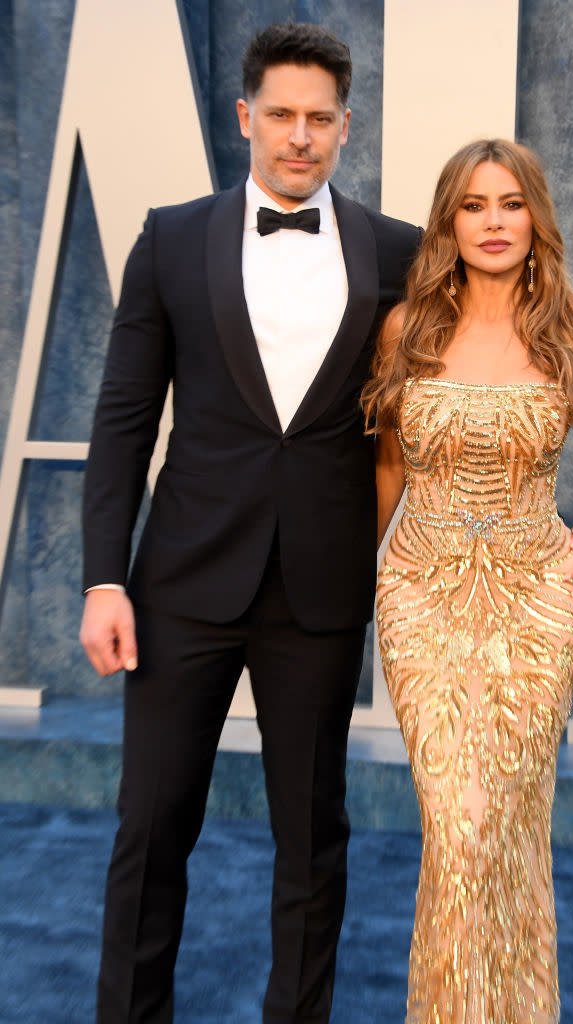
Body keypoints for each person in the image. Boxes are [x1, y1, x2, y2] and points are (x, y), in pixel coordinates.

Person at [79, 22, 420, 1024]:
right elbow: (124, 420)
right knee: (151, 828)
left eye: (321, 118)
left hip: (319, 589)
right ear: (245, 118)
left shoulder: (398, 252)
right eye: (282, 115)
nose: (300, 135)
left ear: (346, 127)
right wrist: (106, 576)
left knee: (313, 837)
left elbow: (457, 387)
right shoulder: (170, 237)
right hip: (180, 583)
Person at [361, 138, 573, 1023]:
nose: (492, 223)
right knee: (456, 828)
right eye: (472, 205)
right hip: (418, 598)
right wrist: (351, 584)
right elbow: (387, 468)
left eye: (509, 204)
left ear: (535, 216)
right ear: (447, 223)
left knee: (502, 826)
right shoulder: (406, 328)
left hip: (535, 606)